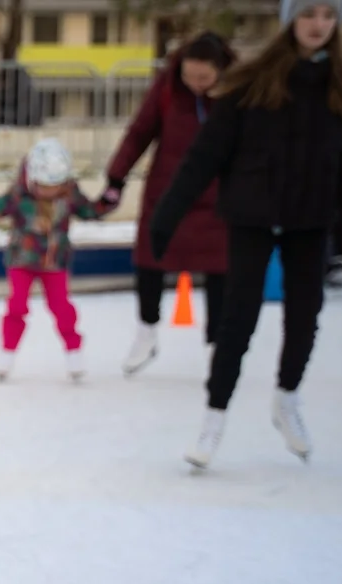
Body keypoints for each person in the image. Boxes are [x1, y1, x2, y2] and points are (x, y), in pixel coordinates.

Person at [150, 0, 342, 470]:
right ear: (290, 20)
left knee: (306, 315)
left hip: (311, 219)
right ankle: (214, 418)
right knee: (236, 322)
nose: (318, 25)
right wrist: (165, 218)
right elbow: (204, 157)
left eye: (328, 16)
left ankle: (287, 398)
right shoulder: (251, 83)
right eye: (309, 14)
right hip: (253, 214)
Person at [104, 32, 236, 375]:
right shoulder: (167, 87)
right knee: (149, 257)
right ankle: (146, 331)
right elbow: (140, 131)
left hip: (218, 194)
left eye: (204, 79)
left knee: (221, 268)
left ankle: (216, 345)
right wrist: (116, 178)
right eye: (189, 77)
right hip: (167, 188)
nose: (196, 85)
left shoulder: (237, 91)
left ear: (220, 72)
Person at [0, 137, 122, 382]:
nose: (50, 191)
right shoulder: (19, 197)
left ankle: (74, 352)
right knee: (17, 306)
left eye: (56, 185)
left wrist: (109, 199)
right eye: (45, 186)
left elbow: (90, 211)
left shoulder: (69, 196)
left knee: (61, 307)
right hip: (22, 261)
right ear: (31, 179)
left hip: (54, 263)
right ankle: (6, 355)